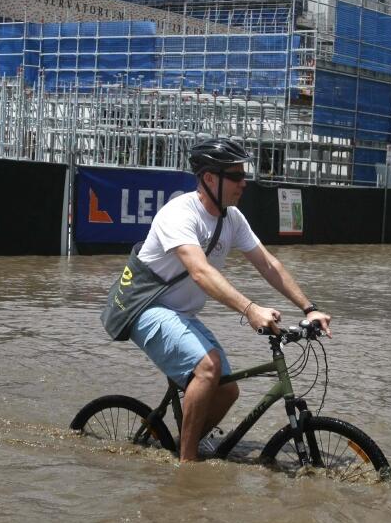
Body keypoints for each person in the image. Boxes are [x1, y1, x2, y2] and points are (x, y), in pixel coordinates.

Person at [129, 137, 332, 462]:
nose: (244, 182)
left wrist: (309, 308)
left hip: (181, 315)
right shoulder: (179, 214)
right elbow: (200, 272)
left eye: (243, 174)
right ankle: (187, 464)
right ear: (210, 178)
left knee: (228, 389)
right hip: (147, 309)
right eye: (235, 175)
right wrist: (250, 309)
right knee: (209, 369)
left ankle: (182, 441)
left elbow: (268, 264)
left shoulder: (232, 219)